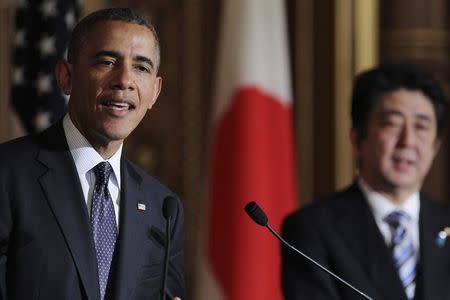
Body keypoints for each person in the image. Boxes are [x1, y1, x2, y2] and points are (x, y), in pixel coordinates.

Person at [0, 8, 184, 300]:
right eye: (108, 61)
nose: (124, 80)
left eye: (141, 68)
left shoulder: (162, 207)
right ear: (66, 77)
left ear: (154, 92)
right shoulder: (8, 175)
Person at [281, 62, 450, 300]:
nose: (408, 141)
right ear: (357, 139)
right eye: (392, 124)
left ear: (435, 146)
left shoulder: (445, 224)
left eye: (421, 126)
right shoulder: (313, 230)